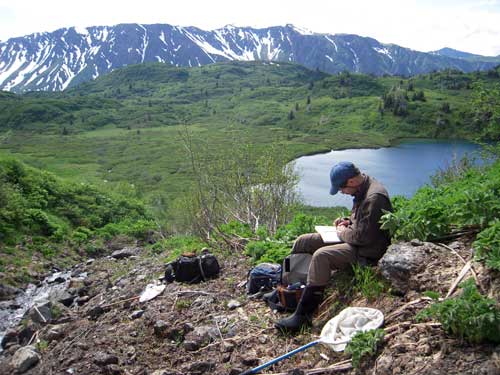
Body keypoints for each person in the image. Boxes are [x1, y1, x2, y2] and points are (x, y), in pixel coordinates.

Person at [275, 161, 393, 332]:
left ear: (351, 181)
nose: (342, 192)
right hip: (355, 238)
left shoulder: (374, 197)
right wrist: (348, 221)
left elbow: (363, 237)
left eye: (341, 188)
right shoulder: (362, 188)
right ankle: (288, 288)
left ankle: (303, 315)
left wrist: (340, 231)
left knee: (322, 256)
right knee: (304, 241)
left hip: (368, 250)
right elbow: (363, 222)